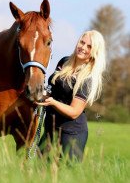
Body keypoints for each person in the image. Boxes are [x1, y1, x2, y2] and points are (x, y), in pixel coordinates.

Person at [36, 30, 106, 161]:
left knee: (65, 178)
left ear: (95, 52)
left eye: (89, 46)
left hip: (71, 134)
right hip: (50, 129)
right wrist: (41, 94)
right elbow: (53, 89)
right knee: (38, 171)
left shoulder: (88, 78)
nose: (83, 47)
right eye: (82, 42)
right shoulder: (64, 61)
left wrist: (52, 102)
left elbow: (74, 112)